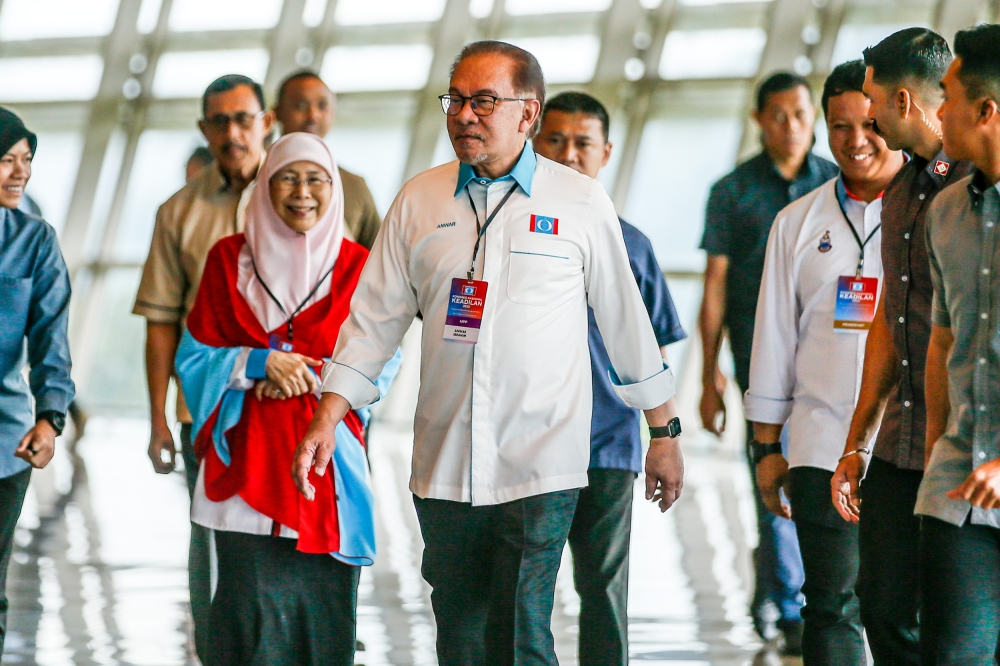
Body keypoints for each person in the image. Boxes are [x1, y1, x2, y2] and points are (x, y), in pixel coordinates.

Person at [291, 41, 684, 666]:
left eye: (483, 101)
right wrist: (326, 417)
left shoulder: (579, 202)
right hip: (445, 459)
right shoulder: (419, 200)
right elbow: (373, 323)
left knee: (521, 630)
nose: (464, 115)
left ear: (528, 113)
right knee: (459, 630)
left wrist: (663, 432)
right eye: (456, 100)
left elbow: (627, 325)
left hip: (541, 459)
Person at [175, 132, 379, 665]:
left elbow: (382, 355)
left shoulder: (359, 266)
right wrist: (255, 364)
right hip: (243, 461)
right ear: (265, 185)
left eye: (316, 179)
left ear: (335, 188)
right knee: (244, 609)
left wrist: (306, 374)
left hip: (325, 464)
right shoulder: (228, 260)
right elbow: (193, 356)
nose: (302, 192)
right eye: (287, 178)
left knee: (322, 612)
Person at [746, 60, 904, 665]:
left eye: (869, 124)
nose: (856, 140)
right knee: (831, 607)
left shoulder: (932, 209)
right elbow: (773, 339)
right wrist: (766, 447)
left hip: (905, 448)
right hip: (817, 445)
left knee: (900, 612)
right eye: (841, 126)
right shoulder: (796, 221)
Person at [828, 28, 971, 665]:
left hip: (961, 442)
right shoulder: (903, 192)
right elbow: (889, 321)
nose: (868, 116)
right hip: (899, 444)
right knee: (881, 606)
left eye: (872, 100)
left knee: (956, 625)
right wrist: (858, 440)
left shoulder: (977, 188)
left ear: (904, 101)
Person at [532, 90, 687, 665]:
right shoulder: (512, 236)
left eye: (583, 143)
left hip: (607, 445)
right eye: (556, 141)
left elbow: (654, 353)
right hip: (527, 445)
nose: (569, 155)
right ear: (534, 145)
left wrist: (663, 437)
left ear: (606, 152)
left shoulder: (632, 245)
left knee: (602, 586)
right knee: (525, 589)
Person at [132, 74, 273, 662]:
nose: (233, 133)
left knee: (286, 541)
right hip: (207, 409)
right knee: (212, 543)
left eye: (243, 119)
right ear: (203, 130)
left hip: (287, 405)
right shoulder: (179, 211)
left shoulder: (302, 194)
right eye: (219, 122)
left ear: (267, 123)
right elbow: (161, 320)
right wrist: (158, 420)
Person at [698, 70, 838, 646]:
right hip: (759, 361)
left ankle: (782, 589)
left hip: (827, 359)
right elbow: (714, 285)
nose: (791, 126)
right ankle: (790, 602)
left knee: (818, 475)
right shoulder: (732, 191)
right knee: (771, 469)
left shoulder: (835, 182)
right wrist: (708, 375)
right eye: (778, 115)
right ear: (759, 120)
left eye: (801, 114)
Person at [916, 23, 1000, 663]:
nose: (938, 111)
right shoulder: (944, 212)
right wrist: (932, 456)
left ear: (986, 110)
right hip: (955, 492)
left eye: (946, 96)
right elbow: (944, 341)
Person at [0, 108, 74, 651]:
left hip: (5, 443)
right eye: (6, 160)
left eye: (26, 159)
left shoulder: (35, 240)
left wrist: (50, 418)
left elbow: (52, 340)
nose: (20, 172)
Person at [273, 70, 382, 250]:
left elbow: (379, 256)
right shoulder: (256, 176)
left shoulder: (353, 186)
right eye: (301, 105)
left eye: (322, 106)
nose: (313, 115)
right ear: (276, 113)